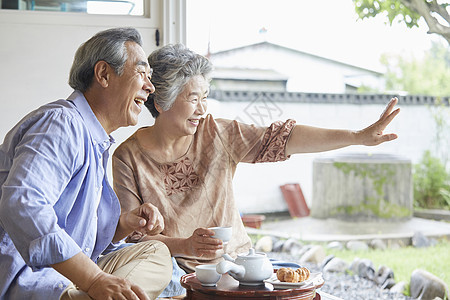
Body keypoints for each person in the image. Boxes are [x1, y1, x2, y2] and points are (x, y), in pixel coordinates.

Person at [112, 44, 400, 297]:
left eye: (205, 97)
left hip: (237, 269)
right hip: (175, 274)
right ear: (161, 101)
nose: (202, 108)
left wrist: (357, 137)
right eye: (193, 98)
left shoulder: (217, 133)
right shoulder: (128, 156)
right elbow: (136, 238)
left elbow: (283, 138)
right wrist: (187, 245)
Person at [0, 28, 173, 300]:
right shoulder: (62, 123)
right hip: (30, 278)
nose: (150, 87)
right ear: (103, 74)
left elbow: (76, 236)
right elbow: (23, 203)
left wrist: (123, 224)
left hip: (69, 278)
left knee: (155, 253)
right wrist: (93, 280)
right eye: (142, 73)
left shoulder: (95, 140)